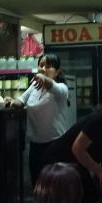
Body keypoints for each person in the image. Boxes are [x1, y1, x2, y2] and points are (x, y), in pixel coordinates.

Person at [23, 54, 74, 185]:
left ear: (57, 72)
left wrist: (43, 78)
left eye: (49, 66)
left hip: (55, 145)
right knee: (38, 184)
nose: (44, 68)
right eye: (41, 65)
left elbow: (53, 87)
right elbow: (21, 100)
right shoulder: (33, 87)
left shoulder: (62, 88)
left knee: (54, 185)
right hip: (35, 146)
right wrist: (10, 101)